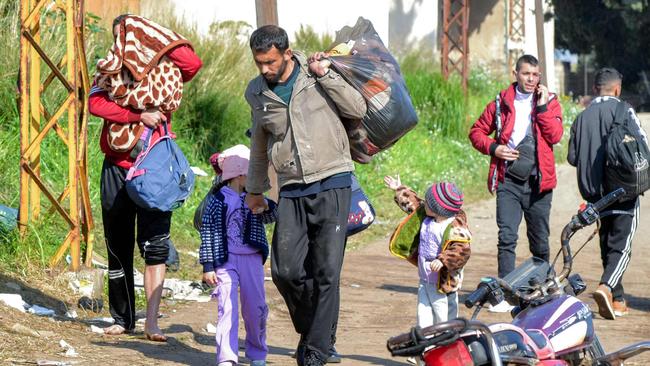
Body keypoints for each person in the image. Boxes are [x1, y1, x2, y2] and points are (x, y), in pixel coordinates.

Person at [243, 25, 367, 366]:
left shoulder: (317, 73)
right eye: (259, 63)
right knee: (286, 271)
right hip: (292, 185)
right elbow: (259, 145)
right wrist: (255, 190)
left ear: (287, 53)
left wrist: (326, 76)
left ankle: (314, 351)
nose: (265, 70)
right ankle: (316, 330)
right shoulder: (256, 92)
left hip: (333, 179)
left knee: (326, 271)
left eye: (270, 62)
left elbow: (357, 108)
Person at [88, 14, 202, 340]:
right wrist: (138, 115)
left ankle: (152, 322)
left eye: (128, 36)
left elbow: (192, 63)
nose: (123, 44)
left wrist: (154, 36)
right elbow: (96, 103)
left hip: (154, 168)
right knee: (117, 245)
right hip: (116, 165)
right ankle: (123, 319)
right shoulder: (112, 72)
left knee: (155, 246)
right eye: (120, 37)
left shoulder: (164, 71)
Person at [468, 54, 563, 312]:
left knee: (539, 240)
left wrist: (542, 107)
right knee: (507, 237)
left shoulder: (550, 102)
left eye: (535, 75)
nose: (531, 79)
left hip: (538, 183)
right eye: (526, 74)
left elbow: (554, 135)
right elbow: (476, 132)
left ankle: (543, 289)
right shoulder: (501, 103)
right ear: (516, 73)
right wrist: (494, 148)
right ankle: (506, 294)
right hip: (508, 180)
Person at [567, 67, 645, 320]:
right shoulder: (624, 110)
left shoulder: (581, 117)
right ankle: (606, 287)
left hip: (595, 195)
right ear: (618, 89)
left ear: (594, 89)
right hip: (623, 190)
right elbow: (641, 144)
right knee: (621, 247)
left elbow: (572, 157)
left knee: (607, 241)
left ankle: (618, 299)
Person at [199, 145, 276, 366]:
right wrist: (208, 266)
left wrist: (266, 205)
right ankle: (226, 357)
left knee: (256, 309)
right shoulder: (217, 201)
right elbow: (208, 232)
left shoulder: (255, 198)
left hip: (252, 259)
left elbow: (272, 214)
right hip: (226, 260)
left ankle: (257, 353)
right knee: (227, 308)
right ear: (240, 175)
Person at [385, 176, 471, 324]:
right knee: (423, 318)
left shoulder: (455, 226)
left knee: (444, 321)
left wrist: (443, 260)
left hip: (443, 284)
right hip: (425, 280)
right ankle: (426, 343)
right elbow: (414, 203)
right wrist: (398, 188)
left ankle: (447, 343)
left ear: (439, 209)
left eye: (429, 203)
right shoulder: (427, 215)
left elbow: (462, 251)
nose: (424, 203)